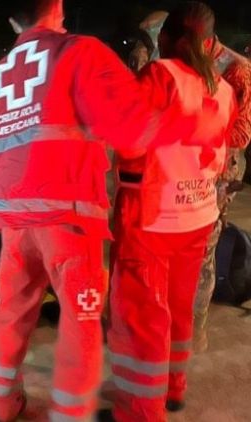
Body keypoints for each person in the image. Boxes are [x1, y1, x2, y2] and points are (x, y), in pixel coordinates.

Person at [0, 1, 199, 420]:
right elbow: (131, 127)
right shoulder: (79, 52)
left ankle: (3, 402)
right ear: (57, 6)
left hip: (15, 222)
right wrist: (190, 122)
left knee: (10, 314)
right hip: (69, 221)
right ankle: (70, 414)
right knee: (80, 323)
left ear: (10, 20)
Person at [104, 3, 236, 421]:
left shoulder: (161, 77)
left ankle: (142, 411)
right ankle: (174, 388)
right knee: (178, 309)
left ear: (164, 39)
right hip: (197, 215)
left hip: (151, 218)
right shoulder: (224, 89)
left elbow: (128, 143)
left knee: (142, 320)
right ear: (211, 42)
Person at [193, 34, 251, 352]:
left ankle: (196, 331)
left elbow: (241, 134)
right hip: (191, 169)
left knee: (204, 251)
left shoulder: (236, 69)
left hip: (220, 170)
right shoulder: (189, 60)